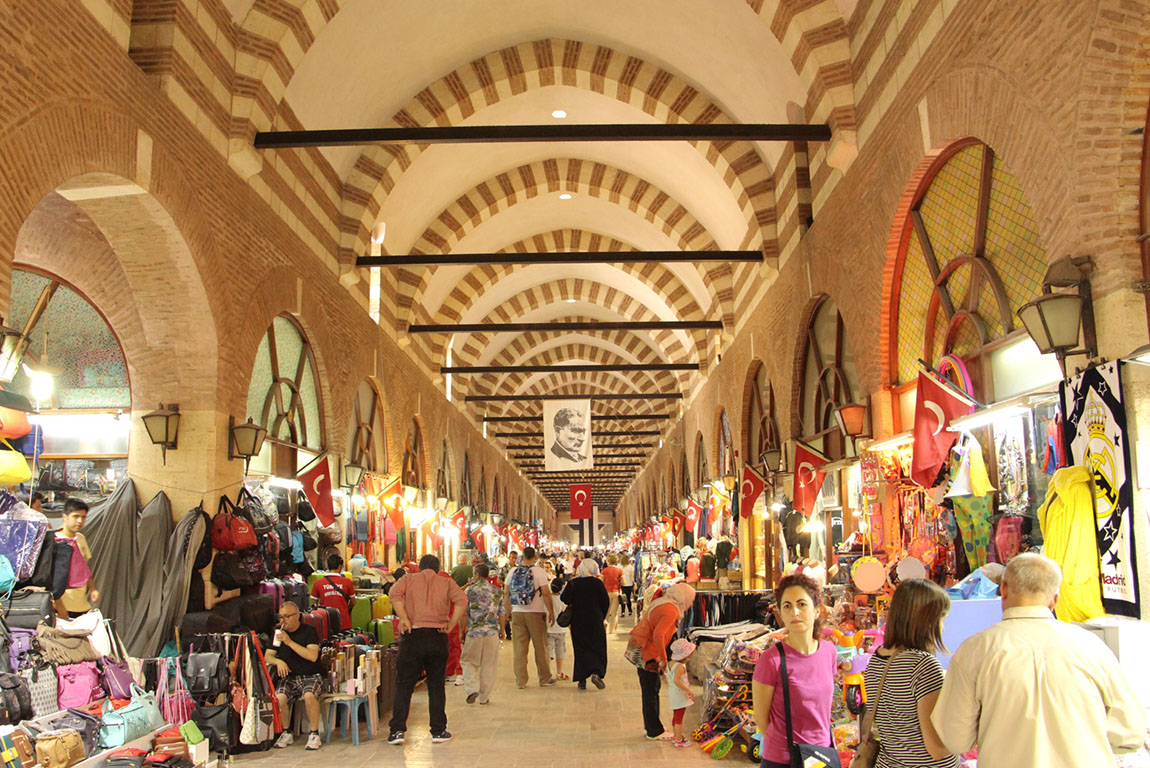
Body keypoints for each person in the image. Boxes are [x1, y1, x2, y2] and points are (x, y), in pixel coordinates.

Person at [931, 553, 1145, 768]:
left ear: (1003, 589)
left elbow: (955, 738)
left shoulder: (975, 650)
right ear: (1055, 599)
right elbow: (1130, 733)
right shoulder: (1092, 647)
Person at [861, 578, 958, 768]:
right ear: (926, 620)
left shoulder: (877, 659)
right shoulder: (924, 666)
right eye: (941, 619)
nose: (943, 627)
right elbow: (937, 748)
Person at [751, 574, 837, 768]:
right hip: (783, 759)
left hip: (821, 755)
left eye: (802, 604)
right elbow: (762, 719)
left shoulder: (829, 652)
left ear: (817, 610)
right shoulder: (771, 661)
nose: (794, 612)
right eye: (787, 606)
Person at [386, 554, 467, 745]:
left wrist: (404, 617)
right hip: (437, 637)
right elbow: (462, 600)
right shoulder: (446, 582)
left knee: (404, 684)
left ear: (420, 567)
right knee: (436, 685)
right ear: (438, 568)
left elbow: (393, 594)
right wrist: (452, 623)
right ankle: (438, 731)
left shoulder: (409, 579)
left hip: (413, 635)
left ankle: (397, 731)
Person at [628, 582, 695, 740]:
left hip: (643, 647)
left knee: (650, 689)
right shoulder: (670, 610)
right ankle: (654, 730)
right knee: (650, 690)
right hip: (647, 651)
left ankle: (652, 726)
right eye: (690, 599)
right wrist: (663, 660)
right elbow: (658, 635)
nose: (691, 603)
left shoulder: (664, 602)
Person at [266, 603, 323, 751]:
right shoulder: (278, 633)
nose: (283, 621)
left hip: (310, 674)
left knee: (309, 695)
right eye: (280, 617)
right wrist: (278, 661)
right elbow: (268, 656)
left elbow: (312, 656)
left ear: (297, 616)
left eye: (287, 616)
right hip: (290, 677)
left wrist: (289, 642)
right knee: (279, 697)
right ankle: (286, 731)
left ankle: (314, 733)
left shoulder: (309, 631)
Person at [503, 546, 557, 688]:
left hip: (517, 613)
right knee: (541, 647)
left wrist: (508, 611)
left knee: (519, 648)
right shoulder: (539, 572)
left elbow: (506, 593)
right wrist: (551, 611)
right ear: (535, 557)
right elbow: (545, 593)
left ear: (522, 556)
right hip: (535, 613)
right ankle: (544, 678)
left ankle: (520, 680)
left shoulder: (512, 571)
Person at [461, 564, 505, 705]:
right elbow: (502, 613)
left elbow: (463, 612)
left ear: (478, 574)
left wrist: (462, 630)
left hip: (474, 631)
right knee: (489, 664)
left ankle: (472, 688)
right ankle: (484, 697)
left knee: (468, 661)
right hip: (492, 632)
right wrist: (502, 629)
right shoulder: (497, 591)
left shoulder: (470, 590)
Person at [561, 559, 609, 690]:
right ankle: (596, 673)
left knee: (580, 648)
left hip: (578, 621)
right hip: (595, 620)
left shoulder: (573, 583)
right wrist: (601, 615)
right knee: (598, 647)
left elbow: (563, 598)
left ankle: (582, 678)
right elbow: (606, 601)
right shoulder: (597, 584)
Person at [55, 498, 98, 619]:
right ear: (65, 516)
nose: (80, 521)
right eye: (75, 516)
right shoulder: (54, 540)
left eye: (83, 517)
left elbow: (84, 567)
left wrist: (93, 588)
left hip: (82, 605)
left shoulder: (80, 538)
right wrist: (59, 606)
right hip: (62, 607)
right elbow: (50, 579)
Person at [310, 554, 355, 631]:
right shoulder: (347, 582)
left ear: (327, 566)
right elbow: (353, 602)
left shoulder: (318, 583)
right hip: (344, 621)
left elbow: (314, 605)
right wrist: (345, 608)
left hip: (325, 621)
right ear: (340, 567)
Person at [666, 638, 696, 747]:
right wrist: (688, 690)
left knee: (676, 716)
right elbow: (676, 680)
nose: (689, 658)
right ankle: (679, 740)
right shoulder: (680, 666)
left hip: (673, 693)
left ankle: (676, 736)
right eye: (688, 656)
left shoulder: (671, 663)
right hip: (679, 694)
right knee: (679, 717)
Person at [547, 577, 569, 680]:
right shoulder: (563, 600)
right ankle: (559, 673)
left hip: (548, 629)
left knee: (548, 651)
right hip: (560, 629)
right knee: (560, 651)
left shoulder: (546, 599)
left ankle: (548, 673)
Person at [600, 554, 623, 633]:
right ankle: (612, 630)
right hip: (616, 592)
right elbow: (623, 582)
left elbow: (601, 582)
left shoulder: (604, 571)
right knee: (614, 612)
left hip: (605, 593)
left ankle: (605, 622)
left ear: (608, 561)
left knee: (605, 611)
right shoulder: (619, 571)